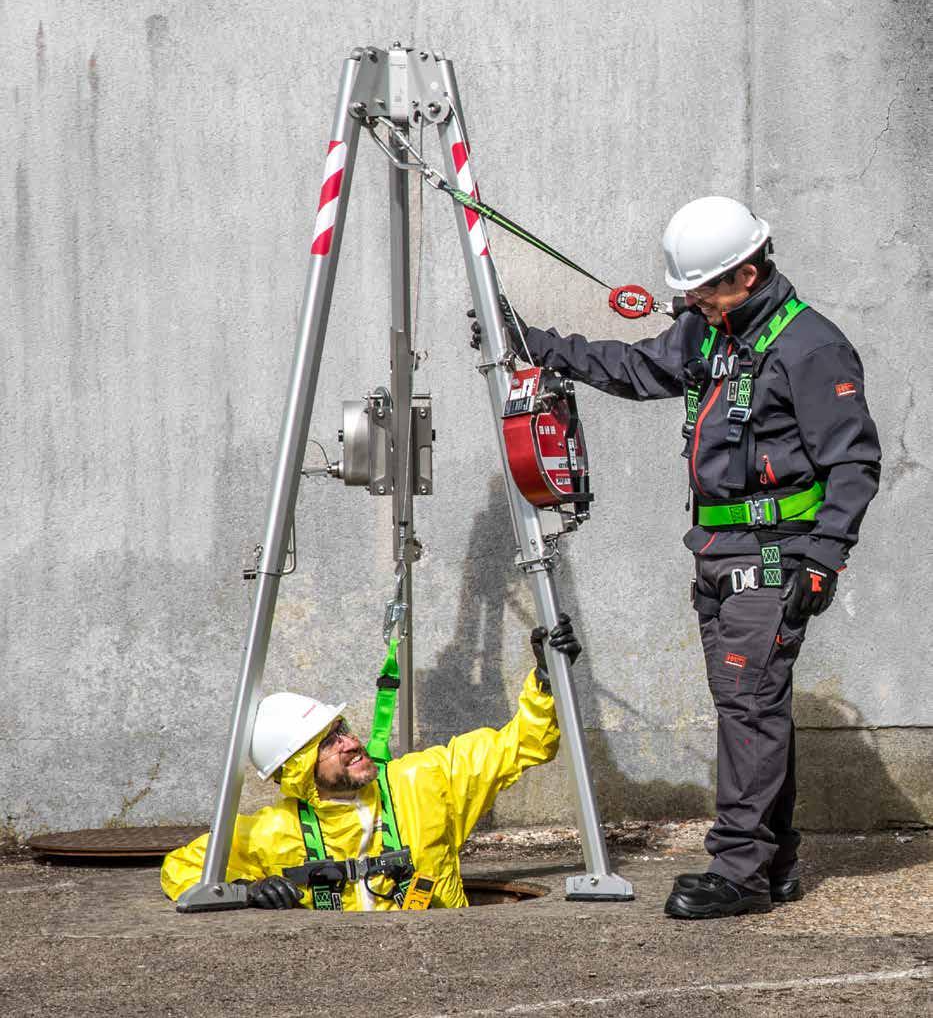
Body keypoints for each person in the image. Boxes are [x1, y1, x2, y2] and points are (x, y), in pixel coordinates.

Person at [474, 196, 881, 919]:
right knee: (751, 706)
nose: (690, 303)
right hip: (717, 552)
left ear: (746, 274)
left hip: (772, 556)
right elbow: (635, 369)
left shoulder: (810, 347)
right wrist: (536, 344)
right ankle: (774, 860)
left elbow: (853, 463)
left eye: (702, 290)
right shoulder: (710, 331)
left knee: (747, 705)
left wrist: (823, 558)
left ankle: (738, 872)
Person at [162, 618, 579, 911]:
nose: (351, 743)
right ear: (299, 770)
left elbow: (522, 744)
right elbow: (180, 867)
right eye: (329, 742)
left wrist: (546, 680)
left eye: (342, 729)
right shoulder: (274, 833)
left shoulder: (424, 781)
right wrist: (247, 890)